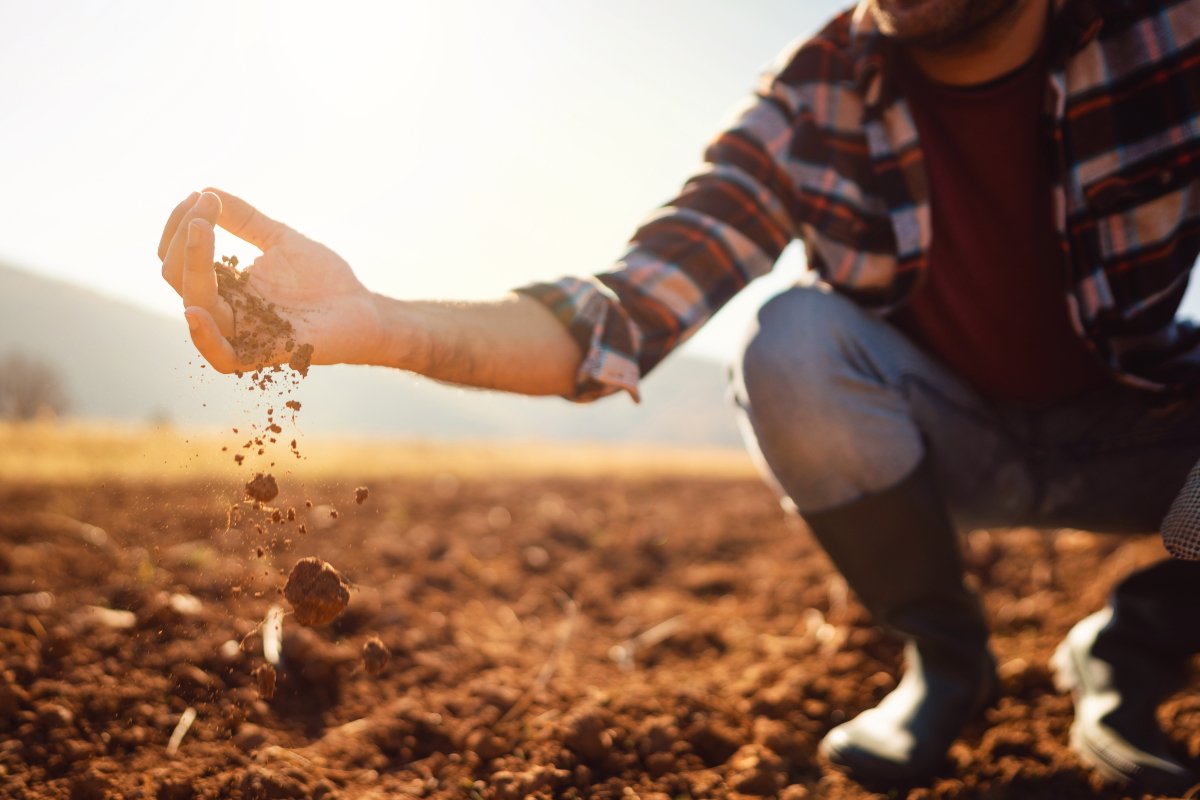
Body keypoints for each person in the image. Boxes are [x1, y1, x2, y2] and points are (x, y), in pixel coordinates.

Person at [158, 0, 1200, 792]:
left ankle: (1134, 647)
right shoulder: (815, 97)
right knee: (793, 341)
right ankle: (945, 660)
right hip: (945, 439)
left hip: (1146, 428)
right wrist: (383, 319)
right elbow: (627, 308)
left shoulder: (1168, 33)